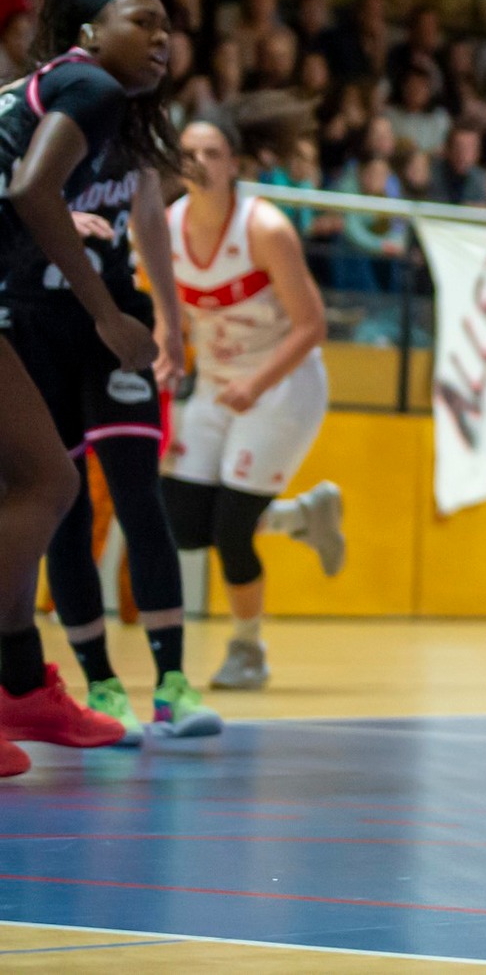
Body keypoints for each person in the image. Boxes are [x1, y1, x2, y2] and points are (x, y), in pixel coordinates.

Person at [0, 0, 226, 743]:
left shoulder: (88, 103)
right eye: (144, 23)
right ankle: (46, 681)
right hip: (42, 315)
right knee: (46, 490)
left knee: (61, 485)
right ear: (90, 31)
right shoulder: (86, 89)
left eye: (168, 26)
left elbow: (42, 194)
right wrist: (104, 309)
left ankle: (38, 683)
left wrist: (159, 315)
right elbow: (30, 192)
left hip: (54, 312)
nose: (162, 39)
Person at [166, 102, 346, 692]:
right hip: (216, 386)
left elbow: (312, 325)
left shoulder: (264, 229)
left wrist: (256, 383)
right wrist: (165, 358)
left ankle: (248, 650)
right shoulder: (166, 226)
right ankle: (299, 517)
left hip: (282, 386)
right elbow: (168, 314)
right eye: (188, 152)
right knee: (183, 523)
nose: (198, 164)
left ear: (235, 164)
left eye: (211, 153)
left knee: (231, 532)